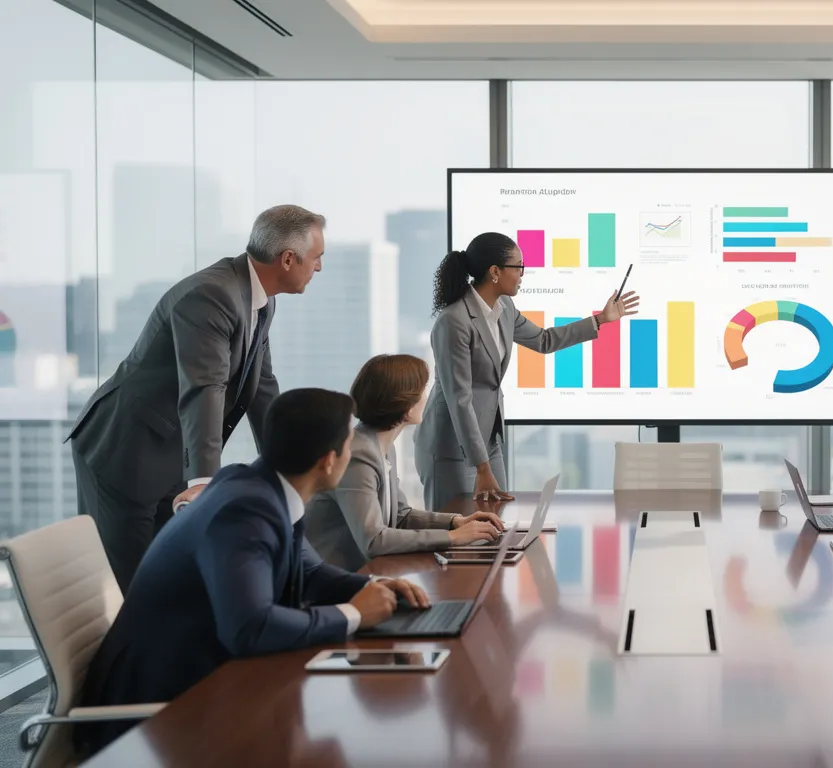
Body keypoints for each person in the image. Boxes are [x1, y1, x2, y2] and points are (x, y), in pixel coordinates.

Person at [76, 389, 430, 757]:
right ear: (328, 461)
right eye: (349, 441)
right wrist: (355, 614)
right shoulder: (245, 512)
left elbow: (308, 571)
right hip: (157, 709)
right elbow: (250, 629)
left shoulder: (260, 486)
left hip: (205, 676)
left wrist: (376, 586)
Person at [67, 205, 325, 592]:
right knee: (132, 585)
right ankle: (128, 655)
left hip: (168, 453)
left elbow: (263, 387)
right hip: (124, 453)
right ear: (288, 259)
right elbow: (204, 387)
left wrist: (290, 459)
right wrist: (204, 479)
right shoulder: (212, 294)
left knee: (174, 576)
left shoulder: (261, 300)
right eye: (317, 257)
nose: (319, 267)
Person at [415, 232, 639, 508]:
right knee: (455, 532)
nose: (523, 273)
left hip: (487, 440)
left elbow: (544, 340)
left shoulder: (504, 307)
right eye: (518, 266)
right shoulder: (455, 321)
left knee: (495, 522)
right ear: (495, 272)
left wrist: (601, 320)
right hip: (450, 448)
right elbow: (460, 400)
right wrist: (482, 468)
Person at [306, 354, 506, 570]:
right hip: (336, 582)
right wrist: (453, 538)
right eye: (422, 392)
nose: (425, 398)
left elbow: (401, 516)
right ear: (407, 406)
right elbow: (374, 541)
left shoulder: (381, 446)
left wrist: (454, 522)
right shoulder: (357, 456)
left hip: (369, 573)